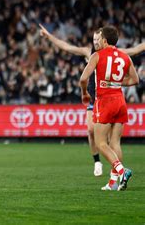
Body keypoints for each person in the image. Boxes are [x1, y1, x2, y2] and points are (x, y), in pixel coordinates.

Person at [39, 24, 144, 177]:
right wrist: (49, 36)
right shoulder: (90, 53)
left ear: (104, 39)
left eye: (98, 39)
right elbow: (66, 46)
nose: (95, 42)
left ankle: (116, 175)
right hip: (97, 98)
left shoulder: (109, 54)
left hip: (105, 98)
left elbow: (135, 50)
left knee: (110, 141)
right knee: (91, 130)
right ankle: (98, 162)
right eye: (94, 39)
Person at [79, 26, 139, 191]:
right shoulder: (125, 57)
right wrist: (117, 83)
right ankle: (113, 183)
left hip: (104, 101)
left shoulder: (97, 56)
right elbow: (135, 80)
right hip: (120, 100)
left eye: (99, 39)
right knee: (115, 142)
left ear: (104, 40)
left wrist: (85, 93)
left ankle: (122, 171)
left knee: (100, 143)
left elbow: (83, 78)